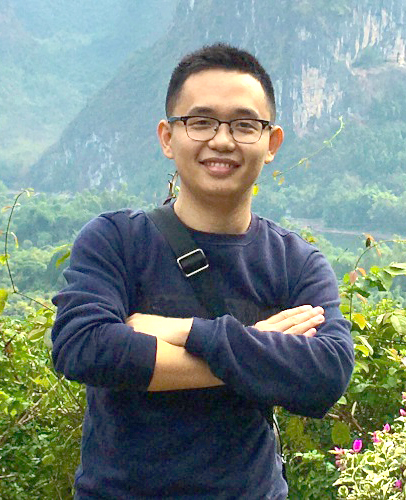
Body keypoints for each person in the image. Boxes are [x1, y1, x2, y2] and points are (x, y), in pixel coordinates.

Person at [52, 43, 354, 499]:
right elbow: (84, 347)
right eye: (201, 121)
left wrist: (186, 331)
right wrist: (259, 346)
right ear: (167, 137)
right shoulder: (116, 240)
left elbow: (326, 374)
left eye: (244, 124)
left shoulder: (296, 263)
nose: (222, 140)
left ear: (271, 143)